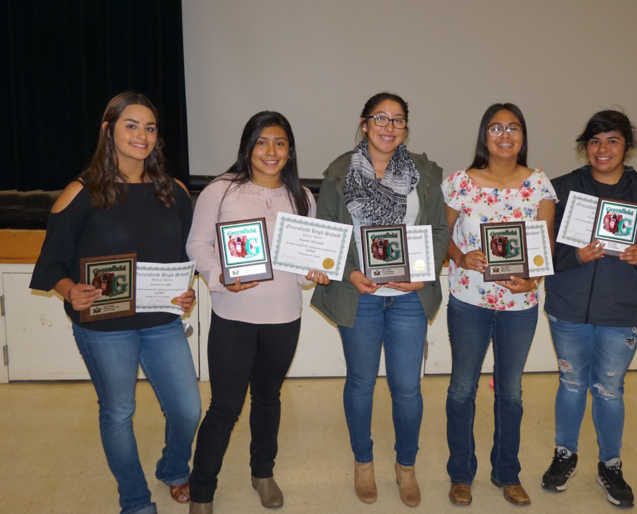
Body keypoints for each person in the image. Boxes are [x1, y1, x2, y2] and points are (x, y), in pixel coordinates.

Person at [29, 91, 201, 514]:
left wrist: (187, 287)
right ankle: (135, 501)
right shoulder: (80, 192)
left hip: (162, 320)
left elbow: (185, 257)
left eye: (150, 127)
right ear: (108, 130)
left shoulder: (173, 192)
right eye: (131, 125)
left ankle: (174, 468)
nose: (142, 136)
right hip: (104, 328)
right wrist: (70, 289)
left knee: (187, 408)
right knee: (119, 411)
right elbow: (51, 265)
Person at [311, 92, 449, 507]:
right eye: (380, 118)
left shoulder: (423, 173)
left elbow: (439, 232)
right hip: (360, 296)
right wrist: (350, 272)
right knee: (361, 383)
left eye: (398, 120)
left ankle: (406, 466)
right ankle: (364, 462)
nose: (389, 127)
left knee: (408, 388)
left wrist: (422, 275)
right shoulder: (338, 173)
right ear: (364, 123)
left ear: (406, 128)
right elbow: (328, 232)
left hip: (408, 297)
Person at [186, 111, 328, 514]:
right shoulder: (221, 190)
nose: (271, 151)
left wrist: (314, 271)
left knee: (268, 399)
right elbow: (197, 245)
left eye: (280, 143)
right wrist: (218, 277)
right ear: (247, 147)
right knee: (225, 406)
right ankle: (202, 491)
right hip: (234, 316)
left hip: (284, 317)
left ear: (290, 150)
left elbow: (302, 272)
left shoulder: (301, 196)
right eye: (262, 142)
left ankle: (262, 473)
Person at [541, 110, 637, 507]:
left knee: (609, 390)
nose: (603, 149)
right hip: (568, 308)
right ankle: (564, 455)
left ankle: (610, 465)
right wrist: (574, 256)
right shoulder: (559, 189)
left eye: (612, 141)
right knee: (570, 384)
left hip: (621, 311)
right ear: (585, 147)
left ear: (627, 147)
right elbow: (543, 250)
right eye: (595, 141)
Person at [441, 103, 557, 506]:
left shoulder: (539, 184)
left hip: (519, 306)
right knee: (461, 390)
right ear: (484, 135)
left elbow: (545, 247)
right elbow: (442, 235)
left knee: (510, 394)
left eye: (513, 128)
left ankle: (507, 473)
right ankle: (461, 474)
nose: (505, 135)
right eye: (496, 127)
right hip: (468, 301)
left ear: (523, 136)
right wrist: (459, 256)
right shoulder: (462, 182)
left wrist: (532, 278)